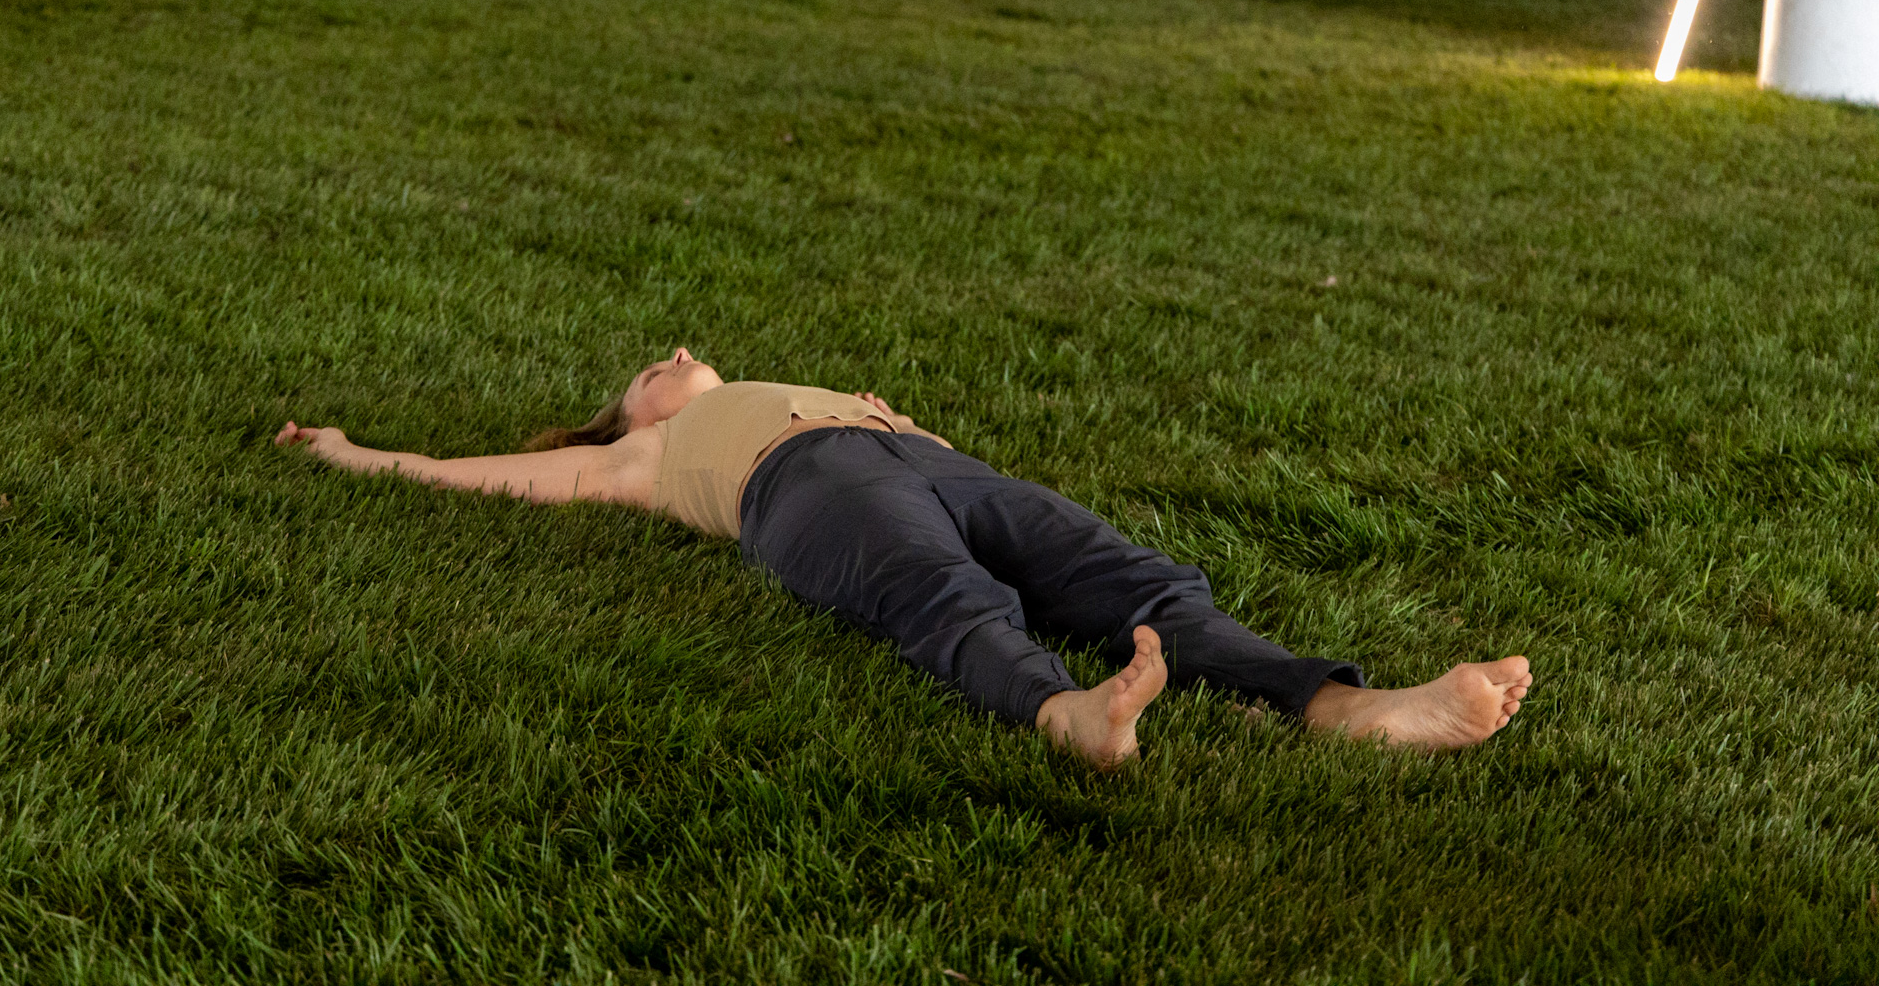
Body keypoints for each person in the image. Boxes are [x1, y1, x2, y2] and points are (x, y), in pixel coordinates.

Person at [275, 348, 1531, 768]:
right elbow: (481, 473)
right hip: (802, 488)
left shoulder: (807, 384)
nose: (680, 350)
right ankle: (1064, 711)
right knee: (937, 597)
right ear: (632, 410)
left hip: (929, 459)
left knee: (1140, 581)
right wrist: (348, 448)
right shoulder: (643, 459)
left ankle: (1349, 701)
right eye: (655, 359)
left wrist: (899, 421)